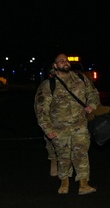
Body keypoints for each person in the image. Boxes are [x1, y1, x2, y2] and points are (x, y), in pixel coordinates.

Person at [35, 53, 100, 195]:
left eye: (66, 60)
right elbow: (41, 110)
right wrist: (47, 129)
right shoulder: (49, 85)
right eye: (61, 61)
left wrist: (92, 105)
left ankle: (84, 184)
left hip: (80, 125)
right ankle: (64, 182)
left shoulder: (81, 79)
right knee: (63, 156)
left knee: (81, 153)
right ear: (55, 65)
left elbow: (93, 93)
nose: (65, 62)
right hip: (59, 128)